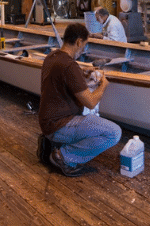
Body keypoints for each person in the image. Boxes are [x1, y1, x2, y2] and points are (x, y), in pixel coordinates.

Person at [37, 23, 121, 176]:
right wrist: (103, 85)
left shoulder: (52, 57)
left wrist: (82, 74)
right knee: (113, 133)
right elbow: (90, 102)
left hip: (47, 122)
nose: (83, 49)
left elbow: (63, 80)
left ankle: (55, 145)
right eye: (84, 45)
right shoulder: (69, 66)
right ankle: (63, 157)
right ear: (78, 42)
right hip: (59, 125)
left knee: (93, 124)